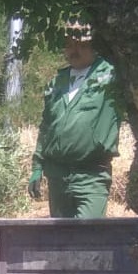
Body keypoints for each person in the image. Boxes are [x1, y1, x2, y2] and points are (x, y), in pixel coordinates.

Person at [28, 18, 120, 218]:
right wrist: (37, 167)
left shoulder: (110, 76)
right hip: (57, 177)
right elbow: (46, 126)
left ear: (94, 46)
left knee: (89, 234)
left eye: (81, 45)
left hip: (91, 175)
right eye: (69, 45)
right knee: (61, 236)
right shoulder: (56, 82)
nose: (74, 50)